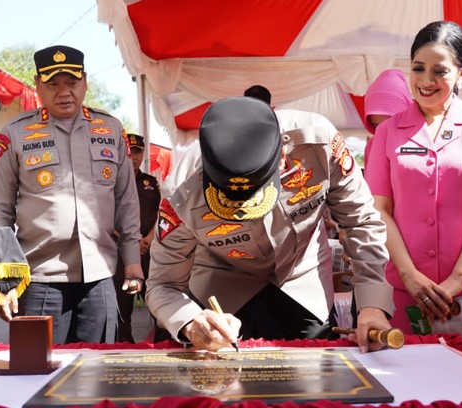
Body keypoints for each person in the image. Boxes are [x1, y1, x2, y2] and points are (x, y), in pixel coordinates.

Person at [146, 96, 394, 353]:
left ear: (283, 154)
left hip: (303, 278)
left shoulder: (320, 144)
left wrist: (372, 303)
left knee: (319, 376)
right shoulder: (180, 193)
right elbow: (162, 284)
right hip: (223, 286)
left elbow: (360, 221)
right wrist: (190, 321)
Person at [365, 20, 462, 362]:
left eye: (440, 70)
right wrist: (409, 275)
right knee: (411, 395)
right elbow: (378, 209)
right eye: (418, 69)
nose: (426, 80)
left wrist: (457, 280)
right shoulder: (388, 132)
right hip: (406, 292)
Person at [0, 45, 143, 344]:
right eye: (52, 85)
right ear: (37, 85)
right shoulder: (15, 134)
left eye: (71, 83)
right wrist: (2, 280)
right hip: (40, 278)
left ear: (84, 82)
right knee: (37, 374)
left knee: (95, 374)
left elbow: (126, 200)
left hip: (99, 275)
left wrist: (132, 261)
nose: (64, 92)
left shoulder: (110, 130)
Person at [112, 133, 162, 343]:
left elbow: (161, 211)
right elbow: (104, 214)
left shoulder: (150, 182)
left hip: (149, 252)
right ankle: (124, 348)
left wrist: (149, 238)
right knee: (122, 307)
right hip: (121, 252)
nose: (133, 157)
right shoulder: (111, 182)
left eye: (138, 152)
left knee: (157, 303)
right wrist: (129, 240)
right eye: (130, 152)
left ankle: (161, 345)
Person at [362, 69, 411, 169]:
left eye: (389, 124)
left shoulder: (422, 142)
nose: (383, 132)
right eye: (376, 126)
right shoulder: (371, 147)